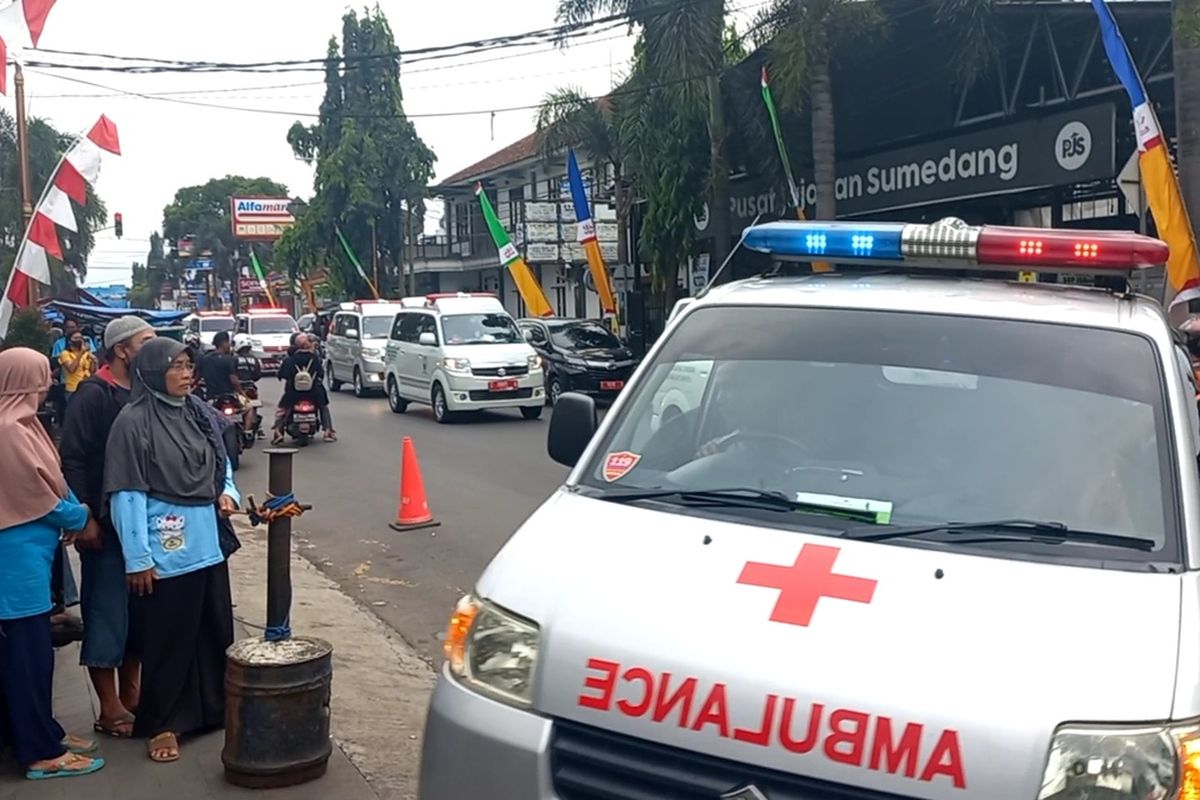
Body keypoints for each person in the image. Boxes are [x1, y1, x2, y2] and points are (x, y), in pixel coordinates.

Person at [105, 339, 240, 763]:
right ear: (151, 371)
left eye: (188, 366)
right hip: (165, 551)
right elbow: (126, 493)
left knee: (212, 632)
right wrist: (139, 557)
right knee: (168, 641)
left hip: (206, 544)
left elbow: (222, 462)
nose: (187, 374)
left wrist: (228, 492)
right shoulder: (133, 422)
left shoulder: (198, 413)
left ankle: (210, 712)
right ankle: (161, 723)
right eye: (176, 367)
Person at [0, 348, 106, 780]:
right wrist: (81, 517)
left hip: (30, 557)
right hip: (15, 567)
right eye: (40, 375)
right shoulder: (8, 430)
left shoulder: (22, 424)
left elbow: (49, 483)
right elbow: (36, 495)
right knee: (26, 659)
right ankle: (40, 752)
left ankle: (42, 732)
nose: (46, 383)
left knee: (30, 655)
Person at [59, 316, 157, 739]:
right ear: (121, 350)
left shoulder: (146, 391)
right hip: (103, 525)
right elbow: (74, 459)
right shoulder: (93, 395)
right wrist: (86, 517)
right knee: (106, 613)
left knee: (139, 613)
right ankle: (109, 706)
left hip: (143, 524)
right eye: (146, 342)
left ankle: (132, 693)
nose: (154, 349)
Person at [273, 333, 336, 443]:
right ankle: (328, 430)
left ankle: (278, 431)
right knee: (323, 406)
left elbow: (283, 375)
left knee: (282, 409)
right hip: (314, 393)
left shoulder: (290, 360)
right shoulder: (314, 358)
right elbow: (321, 374)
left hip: (293, 393)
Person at [58, 329, 98, 403]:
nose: (78, 340)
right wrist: (80, 353)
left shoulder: (86, 354)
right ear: (70, 341)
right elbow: (71, 369)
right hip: (73, 388)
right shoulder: (65, 354)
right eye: (76, 338)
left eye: (80, 338)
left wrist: (94, 362)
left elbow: (92, 371)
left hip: (86, 387)